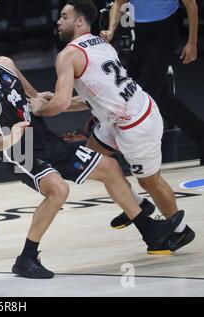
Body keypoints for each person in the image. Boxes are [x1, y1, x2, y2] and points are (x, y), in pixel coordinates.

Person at [0, 39, 184, 279]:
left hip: (46, 140)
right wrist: (14, 136)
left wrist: (48, 101)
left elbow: (33, 94)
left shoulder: (5, 65)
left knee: (110, 167)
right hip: (20, 153)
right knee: (58, 190)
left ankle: (151, 233)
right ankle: (26, 258)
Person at [30, 0, 194, 255]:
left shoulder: (68, 55)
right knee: (94, 160)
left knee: (151, 182)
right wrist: (55, 99)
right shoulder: (100, 43)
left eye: (64, 16)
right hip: (119, 116)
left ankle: (180, 231)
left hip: (135, 124)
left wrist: (38, 109)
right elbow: (91, 98)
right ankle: (139, 208)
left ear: (80, 21)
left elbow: (61, 103)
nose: (58, 21)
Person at [100, 0, 204, 166]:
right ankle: (201, 135)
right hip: (139, 34)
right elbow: (119, 3)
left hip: (164, 33)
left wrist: (192, 43)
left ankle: (130, 155)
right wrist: (111, 30)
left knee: (139, 95)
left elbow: (191, 5)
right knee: (161, 98)